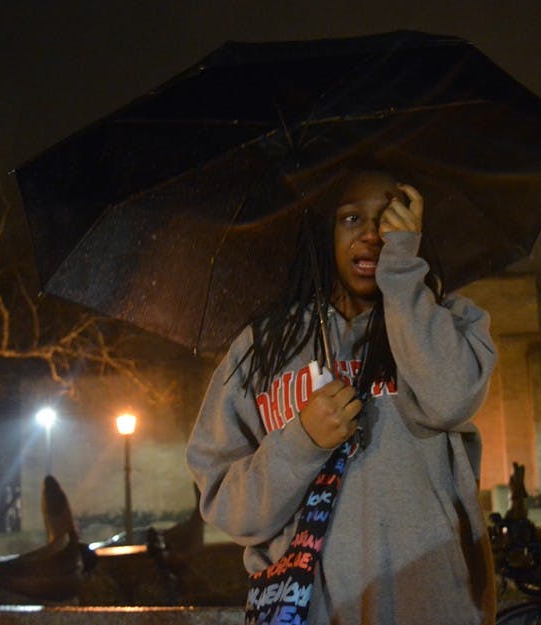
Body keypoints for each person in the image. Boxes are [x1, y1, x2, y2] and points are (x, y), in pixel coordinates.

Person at [186, 167, 497, 624]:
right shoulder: (261, 347)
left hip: (430, 609)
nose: (372, 235)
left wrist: (404, 273)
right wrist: (302, 442)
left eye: (391, 218)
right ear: (321, 232)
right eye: (351, 219)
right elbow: (228, 507)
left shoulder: (449, 321)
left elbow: (452, 397)